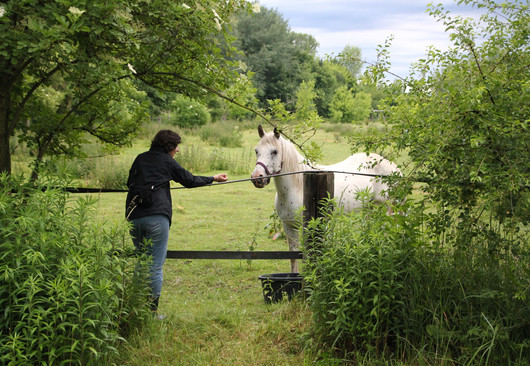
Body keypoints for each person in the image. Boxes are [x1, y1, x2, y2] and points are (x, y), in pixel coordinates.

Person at [125, 129, 228, 314]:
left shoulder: (140, 158)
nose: (177, 151)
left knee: (141, 263)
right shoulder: (166, 160)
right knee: (155, 266)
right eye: (176, 147)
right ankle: (150, 314)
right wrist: (213, 178)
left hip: (133, 216)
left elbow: (129, 183)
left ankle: (133, 309)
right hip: (157, 217)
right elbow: (188, 180)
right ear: (169, 147)